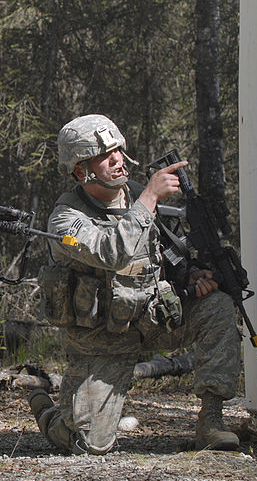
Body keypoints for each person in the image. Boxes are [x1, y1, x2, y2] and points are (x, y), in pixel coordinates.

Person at [30, 114, 242, 454]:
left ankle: (212, 420)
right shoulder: (65, 220)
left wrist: (191, 277)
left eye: (117, 150)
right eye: (103, 155)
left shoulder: (138, 200)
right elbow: (111, 251)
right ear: (79, 170)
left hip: (153, 320)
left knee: (216, 306)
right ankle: (48, 413)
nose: (116, 160)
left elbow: (161, 257)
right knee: (89, 444)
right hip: (102, 340)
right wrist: (149, 200)